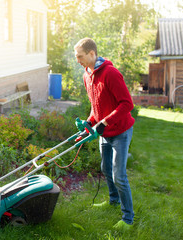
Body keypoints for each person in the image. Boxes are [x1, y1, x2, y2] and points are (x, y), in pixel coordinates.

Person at [74, 38, 135, 231]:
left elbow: (127, 104)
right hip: (104, 131)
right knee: (105, 168)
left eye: (80, 56)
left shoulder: (110, 73)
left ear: (92, 54)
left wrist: (104, 122)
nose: (78, 61)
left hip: (120, 131)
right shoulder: (87, 75)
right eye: (76, 57)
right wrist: (89, 124)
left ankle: (128, 219)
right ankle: (113, 200)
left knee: (119, 175)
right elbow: (96, 106)